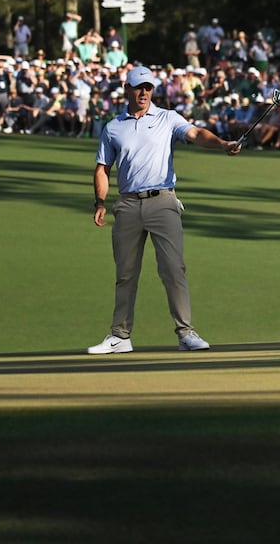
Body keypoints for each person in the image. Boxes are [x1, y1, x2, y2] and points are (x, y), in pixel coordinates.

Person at [87, 64, 241, 355]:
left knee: (173, 269)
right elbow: (102, 168)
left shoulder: (167, 118)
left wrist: (222, 144)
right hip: (128, 205)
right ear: (127, 90)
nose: (144, 92)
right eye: (138, 87)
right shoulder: (113, 127)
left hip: (163, 201)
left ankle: (186, 333)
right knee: (125, 273)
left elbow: (195, 133)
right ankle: (120, 336)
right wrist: (100, 202)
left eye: (148, 88)